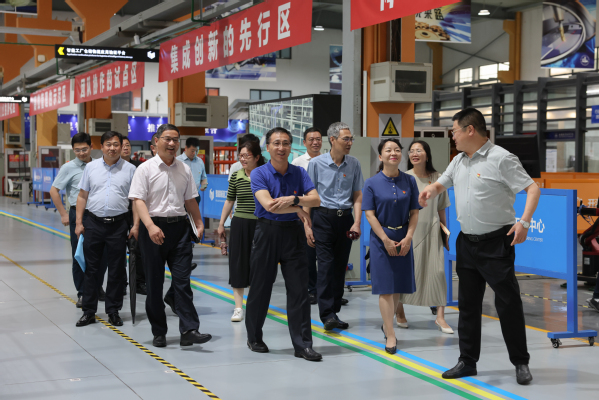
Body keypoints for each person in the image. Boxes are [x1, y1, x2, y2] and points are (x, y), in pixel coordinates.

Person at [418, 108, 540, 385]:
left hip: (496, 243)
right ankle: (467, 361)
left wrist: (524, 222)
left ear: (470, 130)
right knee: (468, 305)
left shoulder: (502, 158)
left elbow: (532, 189)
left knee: (508, 303)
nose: (452, 136)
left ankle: (520, 362)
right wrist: (430, 190)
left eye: (454, 131)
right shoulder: (459, 160)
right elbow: (442, 183)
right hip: (467, 243)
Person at [129, 124, 211, 348]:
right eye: (167, 139)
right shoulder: (144, 169)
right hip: (153, 229)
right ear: (156, 141)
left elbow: (190, 200)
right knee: (154, 284)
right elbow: (138, 201)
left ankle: (189, 330)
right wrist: (149, 226)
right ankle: (159, 331)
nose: (172, 144)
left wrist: (199, 223)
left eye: (176, 140)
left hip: (180, 230)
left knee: (183, 282)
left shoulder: (184, 169)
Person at [245, 127, 322, 361]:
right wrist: (299, 209)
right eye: (276, 143)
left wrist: (294, 200)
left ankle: (303, 345)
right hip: (266, 232)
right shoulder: (259, 173)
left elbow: (316, 199)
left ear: (291, 147)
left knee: (299, 290)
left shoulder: (299, 172)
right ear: (267, 147)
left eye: (286, 143)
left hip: (293, 235)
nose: (281, 148)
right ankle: (254, 337)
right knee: (260, 288)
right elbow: (269, 205)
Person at [362, 138, 420, 354]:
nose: (393, 153)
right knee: (386, 288)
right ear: (381, 156)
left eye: (397, 149)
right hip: (381, 239)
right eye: (388, 150)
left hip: (404, 237)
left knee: (397, 287)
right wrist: (385, 239)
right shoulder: (371, 183)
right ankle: (390, 332)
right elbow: (370, 214)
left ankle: (388, 325)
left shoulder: (409, 181)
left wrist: (409, 237)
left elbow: (414, 212)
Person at [74, 131, 137, 328]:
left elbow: (136, 200)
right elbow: (82, 195)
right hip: (93, 223)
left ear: (121, 146)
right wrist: (78, 222)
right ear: (101, 147)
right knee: (92, 269)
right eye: (108, 144)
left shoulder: (130, 169)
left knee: (117, 269)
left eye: (116, 144)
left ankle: (113, 311)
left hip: (119, 225)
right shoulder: (91, 168)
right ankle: (89, 312)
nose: (112, 148)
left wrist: (135, 225)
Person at [306, 122, 363, 331]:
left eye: (351, 139)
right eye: (345, 139)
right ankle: (327, 314)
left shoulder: (354, 164)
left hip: (345, 219)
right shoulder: (316, 164)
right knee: (326, 266)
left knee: (340, 267)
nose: (350, 143)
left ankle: (334, 311)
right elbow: (309, 196)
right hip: (322, 218)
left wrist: (357, 222)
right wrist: (307, 225)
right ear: (332, 140)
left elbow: (357, 195)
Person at [396, 140, 453, 334]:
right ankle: (400, 312)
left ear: (427, 155)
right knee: (404, 273)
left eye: (418, 150)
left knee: (438, 273)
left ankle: (440, 317)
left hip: (432, 230)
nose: (414, 153)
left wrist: (445, 233)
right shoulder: (404, 178)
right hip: (409, 232)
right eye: (411, 151)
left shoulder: (438, 178)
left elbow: (441, 208)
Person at [50, 132, 103, 307]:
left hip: (98, 215)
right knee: (79, 254)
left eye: (84, 149)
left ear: (91, 147)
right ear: (73, 150)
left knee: (101, 254)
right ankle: (82, 292)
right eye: (77, 150)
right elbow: (54, 190)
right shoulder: (68, 168)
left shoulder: (99, 165)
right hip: (78, 214)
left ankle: (97, 287)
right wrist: (63, 214)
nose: (81, 153)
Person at [217, 141, 265, 322]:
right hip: (240, 223)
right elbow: (229, 200)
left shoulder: (265, 175)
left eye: (247, 156)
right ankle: (238, 308)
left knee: (258, 265)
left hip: (261, 224)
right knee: (238, 264)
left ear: (257, 157)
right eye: (241, 156)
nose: (243, 159)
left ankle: (254, 305)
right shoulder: (236, 175)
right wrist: (221, 224)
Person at [292, 127, 323, 304]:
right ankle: (312, 289)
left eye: (318, 139)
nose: (315, 142)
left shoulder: (327, 160)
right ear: (304, 142)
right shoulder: (297, 163)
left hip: (323, 211)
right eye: (311, 139)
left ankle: (328, 291)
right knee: (309, 254)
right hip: (304, 212)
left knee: (327, 255)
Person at [121, 136, 147, 295]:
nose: (126, 148)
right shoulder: (114, 168)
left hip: (136, 212)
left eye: (128, 145)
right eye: (123, 145)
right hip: (119, 213)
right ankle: (121, 283)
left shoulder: (139, 167)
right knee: (118, 251)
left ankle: (139, 282)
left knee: (138, 248)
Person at [177, 137, 208, 203]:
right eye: (192, 151)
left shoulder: (200, 162)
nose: (194, 153)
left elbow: (203, 178)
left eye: (197, 151)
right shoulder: (177, 161)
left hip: (195, 196)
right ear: (186, 148)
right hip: (180, 197)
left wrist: (204, 185)